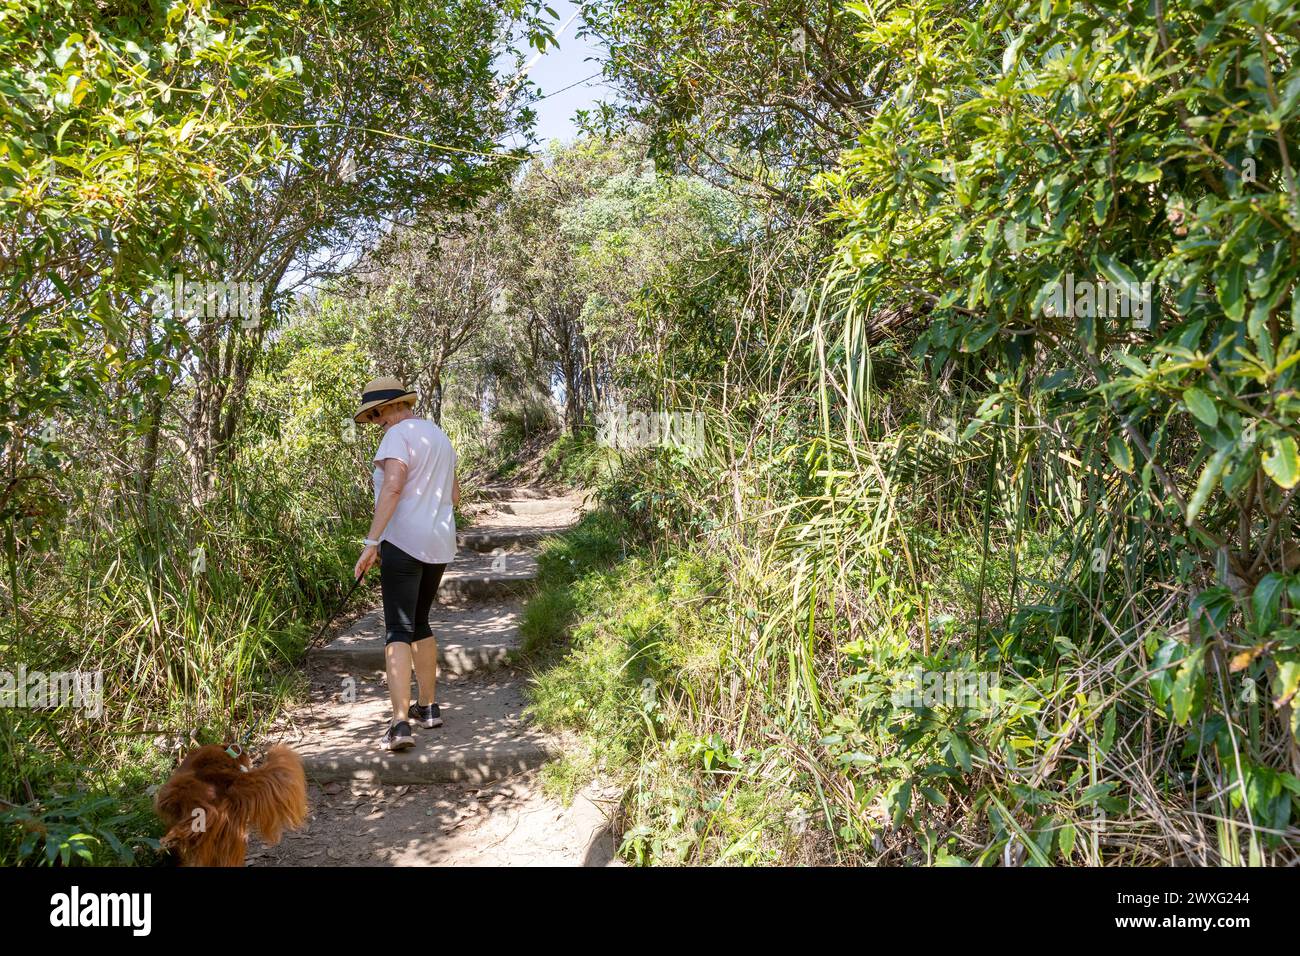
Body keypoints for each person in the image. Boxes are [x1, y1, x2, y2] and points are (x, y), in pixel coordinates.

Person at [351, 376, 460, 751]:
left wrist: (371, 542)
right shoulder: (439, 437)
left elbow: (394, 486)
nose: (376, 424)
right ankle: (429, 708)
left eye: (376, 416)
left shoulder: (396, 436)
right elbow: (454, 495)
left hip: (403, 542)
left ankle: (399, 724)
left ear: (385, 410)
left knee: (397, 628)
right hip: (439, 543)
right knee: (420, 623)